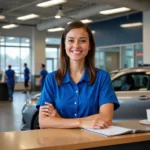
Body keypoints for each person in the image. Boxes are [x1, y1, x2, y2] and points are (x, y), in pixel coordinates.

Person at [37, 21, 120, 129]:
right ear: (64, 45)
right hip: (59, 143)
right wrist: (81, 123)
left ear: (89, 45)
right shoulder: (52, 79)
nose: (76, 46)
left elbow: (106, 118)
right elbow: (44, 122)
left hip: (93, 142)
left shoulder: (102, 77)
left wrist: (59, 119)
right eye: (71, 40)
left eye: (82, 40)